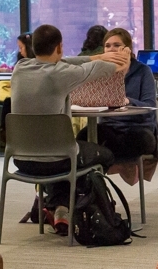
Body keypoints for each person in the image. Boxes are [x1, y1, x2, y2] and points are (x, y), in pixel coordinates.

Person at [11, 24, 129, 233]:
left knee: (67, 156)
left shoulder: (19, 69)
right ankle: (65, 206)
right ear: (60, 47)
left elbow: (64, 62)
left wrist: (94, 57)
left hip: (20, 158)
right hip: (57, 160)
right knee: (102, 156)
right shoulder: (62, 74)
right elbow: (107, 69)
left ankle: (58, 206)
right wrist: (121, 57)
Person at [97, 28, 158, 184]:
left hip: (137, 129)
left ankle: (109, 162)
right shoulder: (100, 71)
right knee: (84, 137)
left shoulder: (143, 71)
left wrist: (127, 101)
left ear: (127, 49)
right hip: (110, 127)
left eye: (116, 45)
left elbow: (149, 106)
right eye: (107, 45)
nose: (111, 49)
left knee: (140, 140)